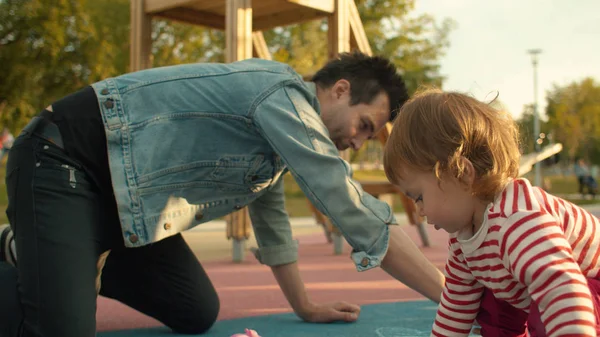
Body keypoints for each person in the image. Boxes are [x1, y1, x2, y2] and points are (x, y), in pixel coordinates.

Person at [0, 52, 446, 337]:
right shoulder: (278, 95)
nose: (359, 141)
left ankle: (48, 253)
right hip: (62, 161)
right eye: (365, 125)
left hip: (118, 213)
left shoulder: (278, 148)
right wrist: (454, 300)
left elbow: (273, 227)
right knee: (64, 331)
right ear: (341, 90)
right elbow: (350, 207)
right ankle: (38, 252)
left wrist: (305, 306)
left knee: (197, 311)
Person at [383, 88, 600, 337]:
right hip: (552, 289)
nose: (418, 210)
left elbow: (563, 287)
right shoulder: (464, 237)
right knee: (488, 301)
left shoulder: (517, 219)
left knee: (546, 310)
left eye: (419, 197)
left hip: (585, 290)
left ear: (461, 173)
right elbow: (455, 306)